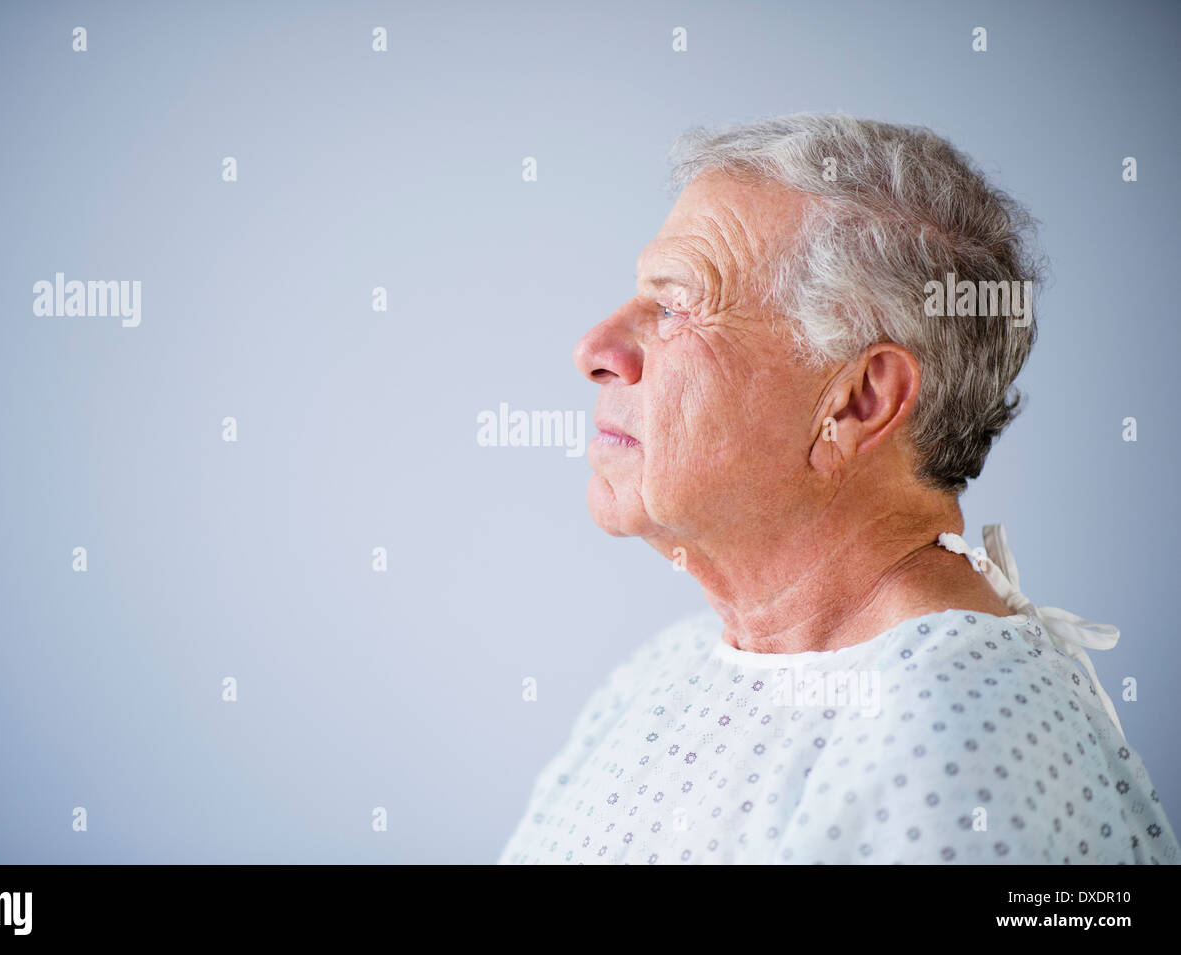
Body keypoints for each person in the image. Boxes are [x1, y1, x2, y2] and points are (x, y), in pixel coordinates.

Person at [498, 114, 1179, 864]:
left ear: (859, 402)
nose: (595, 350)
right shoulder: (668, 668)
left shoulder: (954, 737)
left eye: (676, 306)